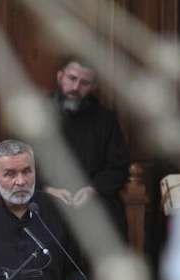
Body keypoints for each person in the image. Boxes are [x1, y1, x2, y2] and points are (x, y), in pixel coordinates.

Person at [0, 139, 86, 280]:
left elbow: (76, 272)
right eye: (10, 174)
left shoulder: (59, 211)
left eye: (27, 171)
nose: (21, 181)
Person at [44, 57, 130, 238]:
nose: (76, 87)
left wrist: (92, 189)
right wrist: (48, 190)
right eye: (72, 78)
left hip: (93, 198)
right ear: (60, 77)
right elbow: (19, 160)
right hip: (48, 196)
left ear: (93, 87)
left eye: (84, 83)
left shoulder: (106, 120)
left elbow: (118, 167)